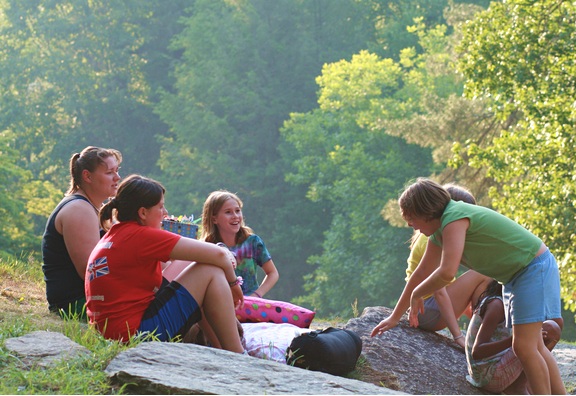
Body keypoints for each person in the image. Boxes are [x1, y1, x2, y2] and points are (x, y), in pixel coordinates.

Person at [371, 178, 566, 394]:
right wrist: (395, 316)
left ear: (425, 211)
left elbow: (447, 272)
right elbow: (421, 273)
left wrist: (418, 294)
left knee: (524, 347)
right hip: (518, 275)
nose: (409, 224)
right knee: (533, 345)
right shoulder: (438, 232)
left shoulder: (453, 218)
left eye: (411, 217)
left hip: (532, 268)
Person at [84, 174, 245, 353]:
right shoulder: (140, 235)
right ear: (143, 213)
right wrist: (233, 285)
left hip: (112, 333)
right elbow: (219, 255)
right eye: (160, 207)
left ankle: (220, 349)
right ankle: (237, 354)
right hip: (134, 335)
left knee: (200, 268)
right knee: (210, 270)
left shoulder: (115, 235)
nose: (165, 213)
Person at [405, 184, 492, 347]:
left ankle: (483, 328)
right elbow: (439, 293)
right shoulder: (432, 239)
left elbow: (457, 292)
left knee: (480, 275)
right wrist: (458, 336)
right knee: (484, 273)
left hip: (428, 310)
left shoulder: (431, 234)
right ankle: (484, 332)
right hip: (428, 311)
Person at [42, 146, 122, 318]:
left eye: (117, 171)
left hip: (92, 300)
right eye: (109, 173)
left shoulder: (95, 209)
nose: (117, 178)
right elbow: (91, 271)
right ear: (87, 176)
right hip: (77, 306)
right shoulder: (79, 210)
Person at [466, 280, 563, 394]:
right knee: (536, 336)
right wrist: (515, 339)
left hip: (497, 366)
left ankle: (520, 384)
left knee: (552, 328)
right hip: (488, 376)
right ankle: (517, 388)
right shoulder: (497, 305)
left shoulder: (513, 305)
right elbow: (477, 352)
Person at [200, 190, 279, 298]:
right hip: (220, 307)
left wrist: (256, 295)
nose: (235, 216)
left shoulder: (253, 242)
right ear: (214, 219)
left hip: (251, 309)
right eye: (228, 212)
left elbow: (272, 273)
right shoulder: (206, 247)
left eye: (237, 211)